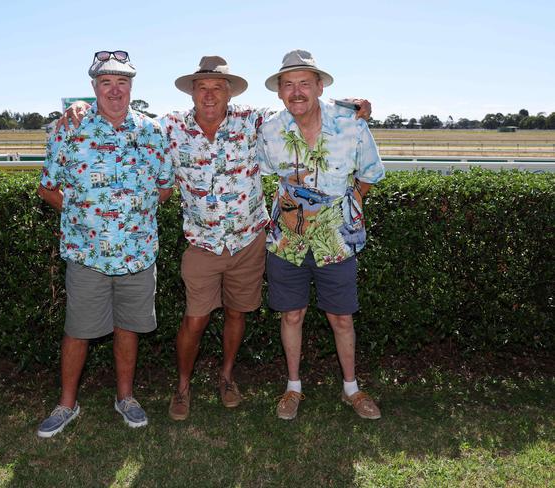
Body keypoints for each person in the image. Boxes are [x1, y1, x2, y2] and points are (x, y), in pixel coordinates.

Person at [59, 55, 372, 422]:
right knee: (195, 318)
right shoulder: (169, 127)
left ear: (230, 92)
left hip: (247, 240)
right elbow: (124, 119)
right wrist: (81, 105)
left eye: (217, 87)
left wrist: (353, 105)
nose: (209, 95)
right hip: (202, 244)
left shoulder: (254, 121)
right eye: (202, 88)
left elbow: (300, 105)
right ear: (192, 93)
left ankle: (226, 378)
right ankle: (182, 386)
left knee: (237, 314)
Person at [36, 50, 174, 437]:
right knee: (78, 330)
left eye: (122, 82)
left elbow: (165, 187)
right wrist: (83, 216)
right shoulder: (70, 128)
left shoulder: (152, 131)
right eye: (106, 82)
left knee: (128, 327)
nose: (115, 90)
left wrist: (138, 212)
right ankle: (67, 403)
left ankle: (125, 397)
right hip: (87, 255)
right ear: (93, 87)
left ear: (132, 86)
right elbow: (48, 188)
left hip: (137, 254)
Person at [256, 49, 385, 421]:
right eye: (288, 85)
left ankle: (352, 389)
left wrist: (346, 206)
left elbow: (370, 173)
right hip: (286, 241)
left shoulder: (352, 124)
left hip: (337, 241)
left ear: (320, 86)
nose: (296, 92)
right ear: (279, 91)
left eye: (304, 84)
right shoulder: (269, 129)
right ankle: (293, 388)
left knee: (342, 317)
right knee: (291, 314)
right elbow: (266, 172)